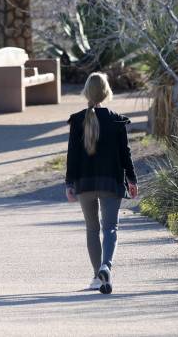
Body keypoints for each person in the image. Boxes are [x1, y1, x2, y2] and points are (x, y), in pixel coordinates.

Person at [65, 72, 138, 294]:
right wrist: (132, 179)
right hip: (111, 183)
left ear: (86, 92)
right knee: (110, 229)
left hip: (84, 184)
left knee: (91, 229)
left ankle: (98, 277)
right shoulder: (116, 120)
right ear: (107, 93)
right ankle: (107, 266)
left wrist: (69, 183)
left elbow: (72, 155)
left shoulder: (77, 120)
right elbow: (125, 154)